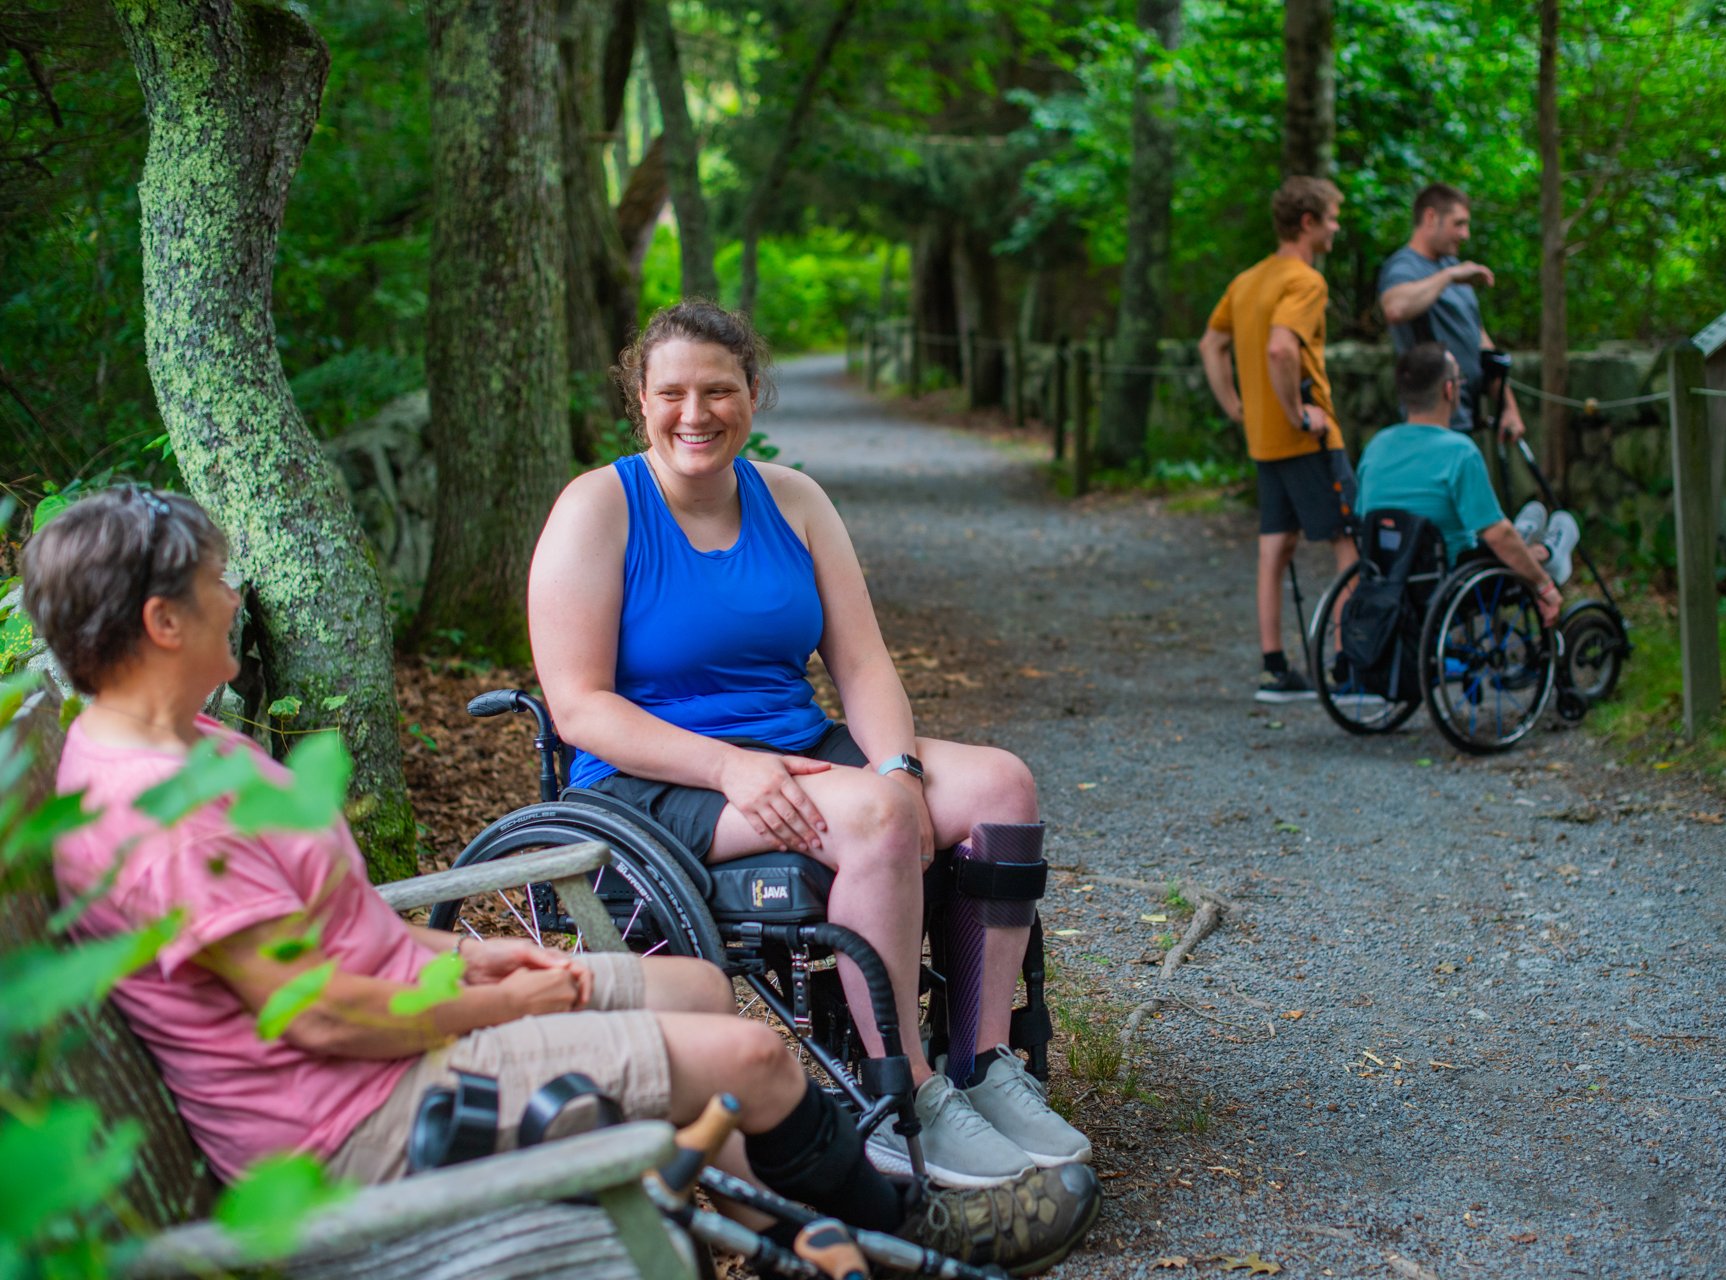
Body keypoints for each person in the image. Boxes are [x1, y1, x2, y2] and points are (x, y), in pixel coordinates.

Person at [22, 487, 1098, 1272]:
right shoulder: (153, 812)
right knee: (752, 1057)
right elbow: (328, 1014)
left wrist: (468, 947)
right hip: (354, 1118)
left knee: (689, 987)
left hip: (393, 1032)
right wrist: (515, 996)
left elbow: (335, 932)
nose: (231, 596)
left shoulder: (199, 746)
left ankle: (799, 1222)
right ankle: (904, 1229)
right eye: (213, 583)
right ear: (161, 622)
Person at [526, 300, 1093, 1192]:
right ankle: (903, 1093)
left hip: (796, 746)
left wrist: (901, 769)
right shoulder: (599, 509)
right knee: (872, 816)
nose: (695, 413)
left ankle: (986, 1064)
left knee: (1000, 787)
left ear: (754, 393)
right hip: (652, 776)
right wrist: (728, 766)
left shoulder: (794, 500)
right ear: (640, 399)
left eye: (719, 390)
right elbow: (580, 708)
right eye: (671, 392)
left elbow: (862, 663)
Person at [1199, 175, 1359, 702]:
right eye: (1333, 217)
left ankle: (1275, 668)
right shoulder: (1305, 281)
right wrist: (1298, 412)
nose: (1338, 227)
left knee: (1276, 549)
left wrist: (1236, 407)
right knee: (1348, 544)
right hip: (1307, 439)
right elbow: (1281, 349)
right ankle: (1350, 666)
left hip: (1263, 442)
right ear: (1309, 223)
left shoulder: (1248, 280)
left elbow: (1211, 344)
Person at [1354, 344, 1578, 626]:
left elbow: (1364, 520)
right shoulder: (1459, 452)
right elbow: (1495, 535)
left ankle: (1526, 535)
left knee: (1502, 534)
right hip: (1452, 584)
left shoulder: (1377, 446)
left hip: (1387, 579)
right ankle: (1548, 553)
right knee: (1539, 529)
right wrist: (1544, 587)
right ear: (1449, 390)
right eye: (1459, 380)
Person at [1377, 182, 1527, 441]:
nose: (1465, 234)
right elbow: (1395, 307)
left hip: (1465, 413)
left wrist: (1508, 408)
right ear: (1431, 217)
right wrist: (1449, 276)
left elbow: (1479, 340)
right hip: (1430, 420)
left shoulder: (1453, 267)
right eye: (1458, 224)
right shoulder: (1405, 266)